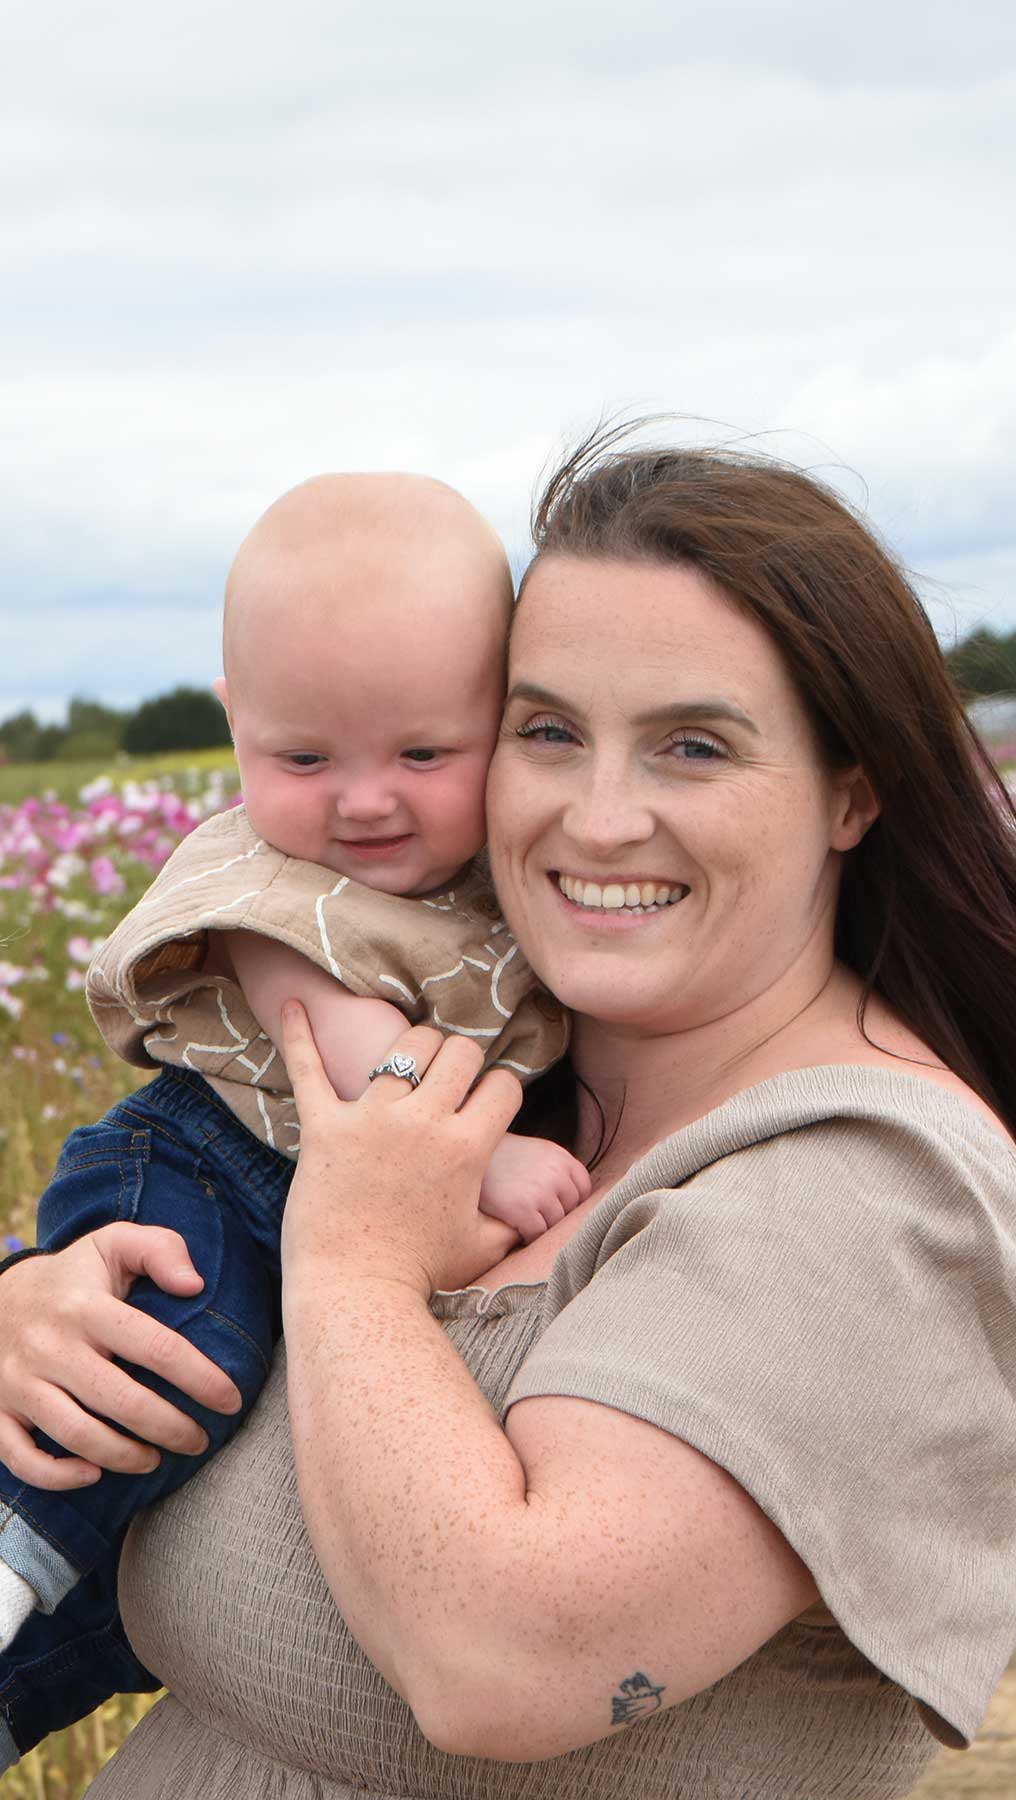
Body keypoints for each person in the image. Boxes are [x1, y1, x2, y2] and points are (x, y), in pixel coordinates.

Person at [2, 428, 1016, 1799]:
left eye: (694, 746)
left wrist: (354, 1260)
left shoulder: (875, 1198)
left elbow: (502, 1663)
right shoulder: (503, 1093)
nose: (600, 816)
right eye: (550, 732)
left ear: (852, 791)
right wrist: (41, 1315)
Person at [0, 472, 586, 1771]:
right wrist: (487, 1152)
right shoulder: (272, 882)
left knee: (165, 1513)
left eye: (425, 754)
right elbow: (351, 1049)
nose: (364, 800)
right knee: (143, 1381)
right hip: (203, 1180)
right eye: (303, 757)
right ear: (235, 724)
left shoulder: (504, 888)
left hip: (303, 1211)